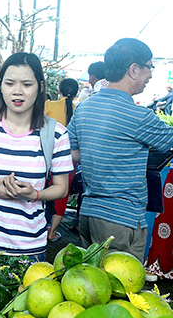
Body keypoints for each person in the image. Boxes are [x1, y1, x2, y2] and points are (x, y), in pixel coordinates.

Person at [0, 53, 74, 258]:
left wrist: (34, 195)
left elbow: (61, 188)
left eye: (27, 84)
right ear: (1, 86)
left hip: (29, 249)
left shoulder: (56, 133)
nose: (17, 92)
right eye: (10, 83)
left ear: (40, 86)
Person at [68, 38, 173, 262]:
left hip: (88, 214)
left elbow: (73, 153)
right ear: (133, 69)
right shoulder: (138, 116)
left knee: (89, 286)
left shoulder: (84, 107)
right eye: (149, 67)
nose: (151, 75)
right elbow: (168, 142)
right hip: (121, 222)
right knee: (122, 289)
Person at [44, 78, 79, 242]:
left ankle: (42, 228)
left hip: (47, 157)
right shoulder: (77, 110)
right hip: (69, 160)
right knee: (61, 195)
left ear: (59, 89)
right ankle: (52, 232)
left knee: (43, 191)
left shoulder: (50, 105)